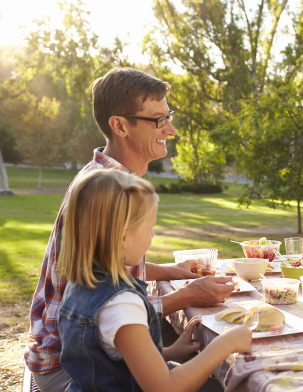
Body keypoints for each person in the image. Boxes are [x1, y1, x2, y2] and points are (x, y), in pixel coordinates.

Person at [25, 67, 234, 391]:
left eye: (169, 117)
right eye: (158, 120)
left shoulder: (109, 180)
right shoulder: (105, 191)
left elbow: (106, 268)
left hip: (89, 353)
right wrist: (186, 297)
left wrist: (172, 272)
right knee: (221, 382)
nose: (171, 130)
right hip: (70, 367)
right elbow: (103, 307)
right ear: (120, 125)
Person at [57, 169, 252, 391]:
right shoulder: (120, 304)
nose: (152, 235)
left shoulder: (82, 283)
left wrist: (170, 352)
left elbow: (109, 356)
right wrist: (225, 344)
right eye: (149, 228)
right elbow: (164, 387)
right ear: (123, 237)